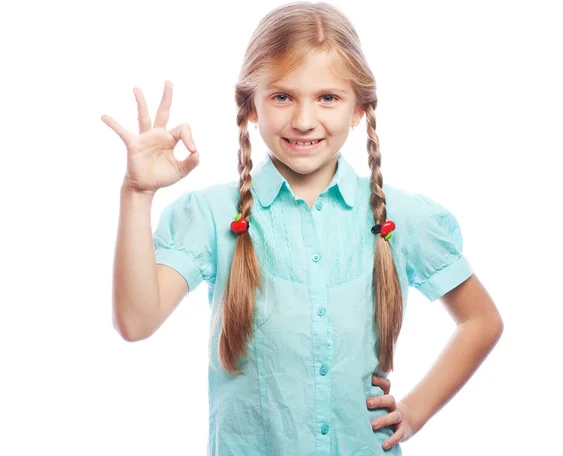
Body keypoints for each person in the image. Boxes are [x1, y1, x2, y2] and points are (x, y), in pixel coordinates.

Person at [102, 2, 503, 454]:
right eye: (282, 96)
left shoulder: (402, 218)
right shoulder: (213, 215)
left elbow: (481, 320)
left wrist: (414, 412)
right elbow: (135, 322)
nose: (304, 120)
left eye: (328, 97)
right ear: (250, 107)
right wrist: (137, 193)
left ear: (359, 109)